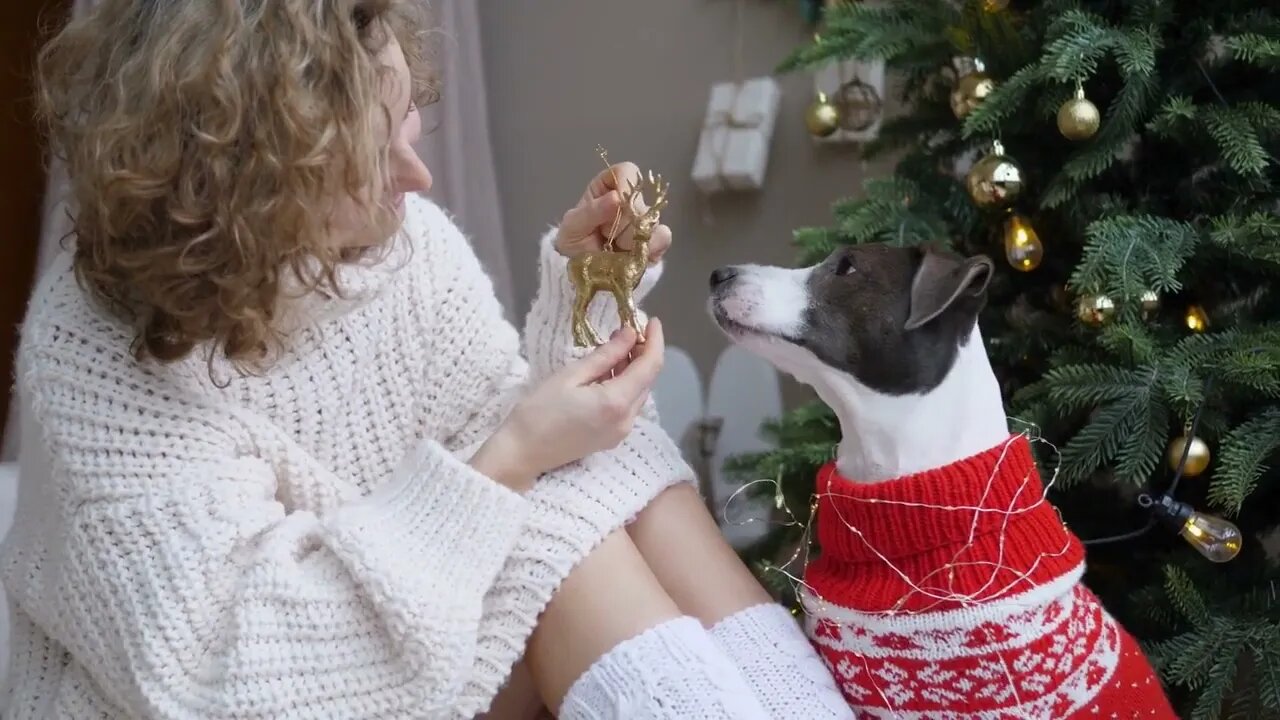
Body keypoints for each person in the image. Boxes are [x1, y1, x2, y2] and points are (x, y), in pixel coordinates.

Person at [0, 1, 851, 718]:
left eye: (405, 119)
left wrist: (588, 290)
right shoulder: (93, 360)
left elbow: (496, 421)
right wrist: (513, 456)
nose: (418, 178)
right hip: (268, 678)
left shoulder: (395, 248)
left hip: (410, 605)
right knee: (561, 543)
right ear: (248, 189)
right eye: (370, 162)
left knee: (609, 470)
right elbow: (221, 670)